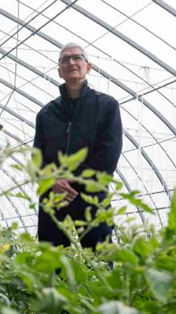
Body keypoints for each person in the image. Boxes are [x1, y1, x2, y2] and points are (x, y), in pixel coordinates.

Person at [33, 43, 122, 250]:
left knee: (100, 257)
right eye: (65, 60)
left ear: (88, 67)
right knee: (52, 262)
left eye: (77, 58)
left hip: (91, 196)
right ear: (59, 71)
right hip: (54, 197)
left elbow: (108, 155)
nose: (71, 62)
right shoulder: (46, 114)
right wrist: (54, 181)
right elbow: (38, 159)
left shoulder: (107, 106)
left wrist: (71, 179)